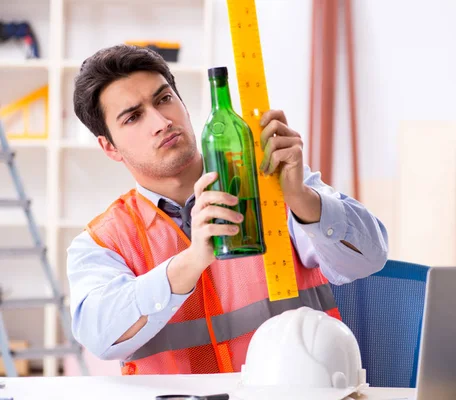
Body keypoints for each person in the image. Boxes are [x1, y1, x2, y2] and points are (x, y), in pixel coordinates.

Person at [67, 44, 388, 375]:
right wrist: (192, 261)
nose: (162, 122)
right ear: (109, 147)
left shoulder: (272, 182)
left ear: (184, 105)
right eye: (134, 117)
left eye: (164, 99)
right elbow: (99, 335)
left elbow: (371, 257)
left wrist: (300, 196)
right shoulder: (102, 243)